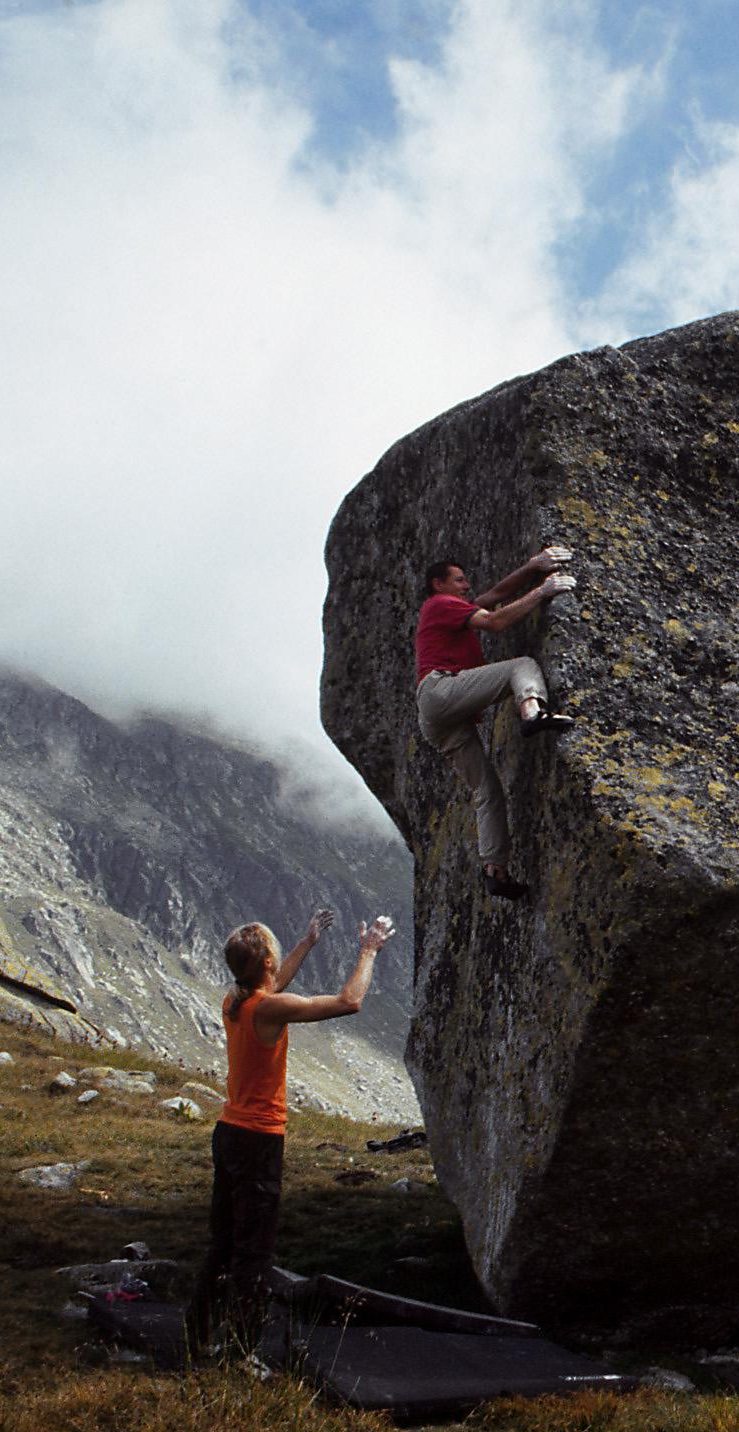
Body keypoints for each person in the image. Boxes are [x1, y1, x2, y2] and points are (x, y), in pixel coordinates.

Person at [184, 906, 393, 1363]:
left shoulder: (237, 1001)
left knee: (223, 1244)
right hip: (259, 1141)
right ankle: (241, 1353)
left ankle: (195, 1337)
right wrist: (369, 950)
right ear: (266, 965)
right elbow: (348, 1001)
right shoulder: (269, 1007)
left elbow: (272, 987)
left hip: (228, 1134)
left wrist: (306, 942)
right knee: (253, 1254)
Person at [414, 546, 579, 900]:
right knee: (520, 666)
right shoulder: (441, 605)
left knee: (486, 791)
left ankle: (495, 869)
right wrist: (542, 590)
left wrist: (533, 567)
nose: (466, 584)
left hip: (438, 718)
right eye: (458, 579)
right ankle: (533, 712)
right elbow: (495, 621)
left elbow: (496, 595)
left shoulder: (450, 610)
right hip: (441, 689)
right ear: (437, 583)